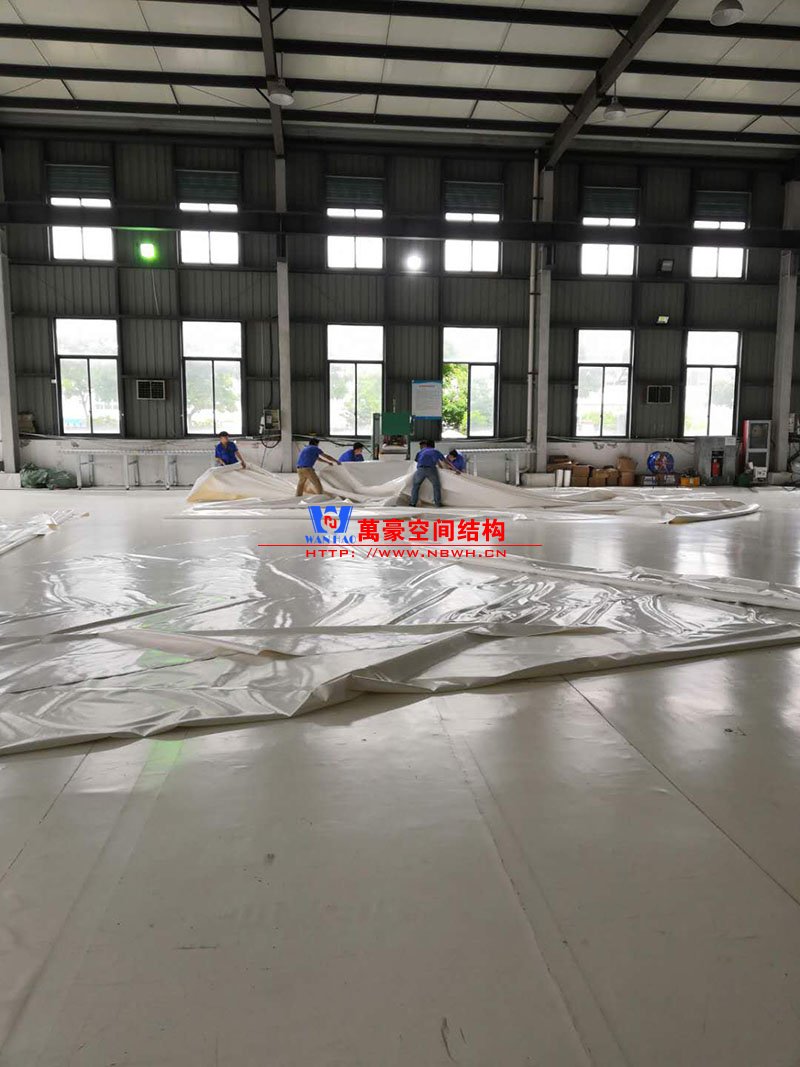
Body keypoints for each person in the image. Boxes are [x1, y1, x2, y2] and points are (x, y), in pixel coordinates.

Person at [410, 439, 446, 507]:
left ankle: (412, 503)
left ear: (426, 445)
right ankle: (437, 503)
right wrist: (454, 469)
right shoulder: (435, 451)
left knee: (416, 485)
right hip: (431, 469)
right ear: (434, 445)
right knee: (436, 485)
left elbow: (416, 461)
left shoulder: (421, 451)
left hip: (420, 469)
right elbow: (444, 461)